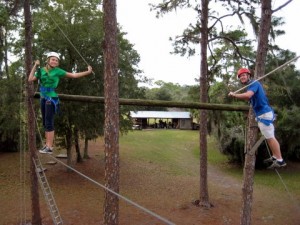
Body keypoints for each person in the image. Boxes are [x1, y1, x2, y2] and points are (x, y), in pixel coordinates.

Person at [28, 52, 93, 154]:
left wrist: (87, 72)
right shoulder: (41, 70)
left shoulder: (58, 71)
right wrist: (35, 66)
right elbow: (30, 79)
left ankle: (50, 147)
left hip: (51, 98)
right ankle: (47, 144)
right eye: (53, 59)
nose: (54, 61)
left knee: (49, 122)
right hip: (43, 97)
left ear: (57, 63)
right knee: (45, 123)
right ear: (48, 60)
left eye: (56, 60)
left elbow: (74, 75)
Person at [228, 68, 286, 169]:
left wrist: (235, 95)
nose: (242, 77)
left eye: (244, 75)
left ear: (248, 75)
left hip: (264, 114)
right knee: (269, 137)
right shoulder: (251, 85)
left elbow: (248, 96)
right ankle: (275, 156)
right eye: (240, 76)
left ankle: (280, 160)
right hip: (262, 114)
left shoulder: (254, 83)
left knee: (271, 138)